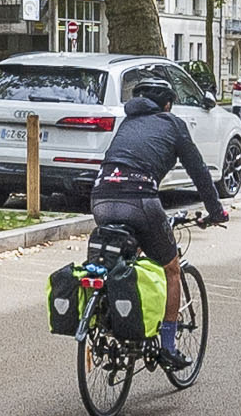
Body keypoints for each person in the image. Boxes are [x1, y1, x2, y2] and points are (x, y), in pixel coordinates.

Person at [91, 63, 231, 367]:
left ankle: (114, 324)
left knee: (122, 260)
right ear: (168, 104)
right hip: (140, 200)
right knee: (170, 267)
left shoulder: (126, 124)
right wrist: (216, 211)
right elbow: (199, 172)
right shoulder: (172, 123)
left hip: (101, 197)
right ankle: (168, 346)